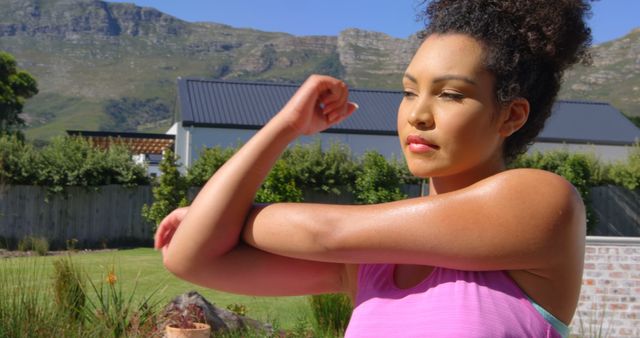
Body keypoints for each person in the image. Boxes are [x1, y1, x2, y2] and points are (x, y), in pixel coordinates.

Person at [154, 0, 592, 336]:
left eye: (452, 94)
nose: (418, 115)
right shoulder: (370, 264)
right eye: (408, 92)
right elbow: (190, 256)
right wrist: (285, 126)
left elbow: (325, 234)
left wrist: (228, 217)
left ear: (512, 116)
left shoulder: (542, 202)